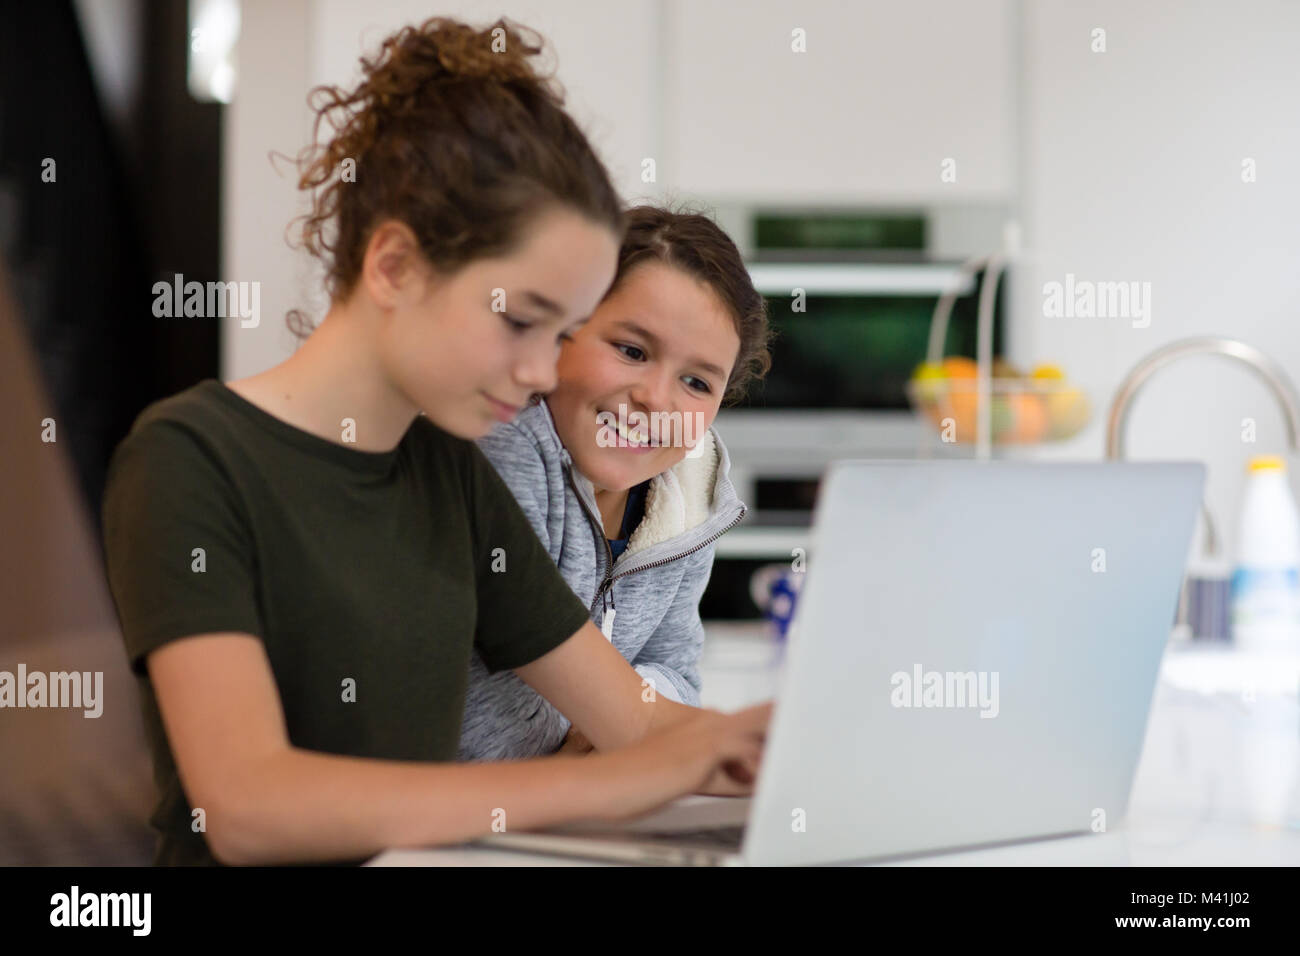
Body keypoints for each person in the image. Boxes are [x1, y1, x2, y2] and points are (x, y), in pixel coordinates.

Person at [100, 16, 768, 867]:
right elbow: (249, 809)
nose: (543, 372)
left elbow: (634, 720)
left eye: (562, 332)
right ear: (395, 266)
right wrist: (610, 784)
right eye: (522, 321)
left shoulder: (451, 474)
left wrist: (786, 748)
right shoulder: (192, 458)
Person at [460, 204, 771, 760]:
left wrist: (619, 728)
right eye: (631, 351)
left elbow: (676, 673)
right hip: (451, 805)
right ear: (560, 331)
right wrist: (623, 733)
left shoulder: (688, 499)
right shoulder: (507, 448)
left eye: (697, 382)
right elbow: (512, 675)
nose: (655, 399)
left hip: (579, 797)